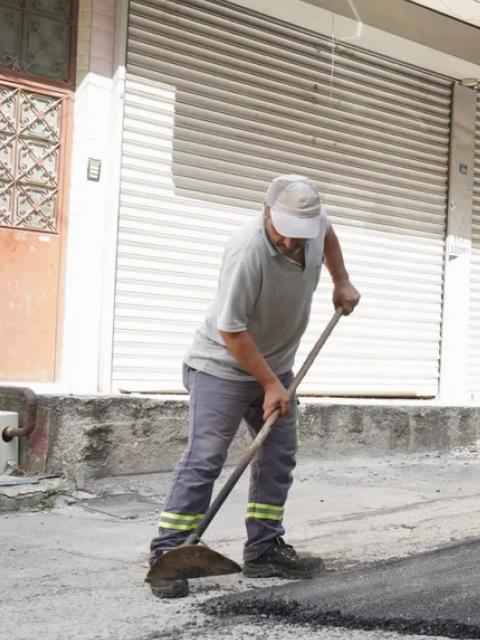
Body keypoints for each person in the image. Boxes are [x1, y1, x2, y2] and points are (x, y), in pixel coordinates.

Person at [146, 175, 361, 599]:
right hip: (221, 368)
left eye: (299, 236)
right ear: (267, 214)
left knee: (277, 457)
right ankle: (168, 554)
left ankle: (263, 550)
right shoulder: (247, 251)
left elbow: (329, 234)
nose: (289, 244)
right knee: (205, 457)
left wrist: (341, 279)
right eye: (283, 234)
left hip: (276, 367)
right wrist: (269, 385)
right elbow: (231, 330)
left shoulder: (313, 227)